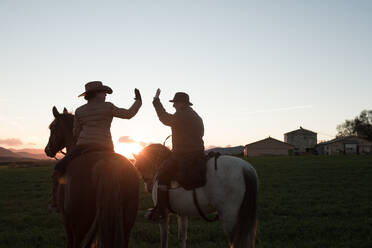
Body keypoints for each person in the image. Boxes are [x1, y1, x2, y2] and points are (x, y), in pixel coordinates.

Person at [49, 81, 142, 212]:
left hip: (82, 147)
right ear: (96, 94)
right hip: (106, 147)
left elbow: (76, 132)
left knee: (58, 169)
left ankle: (55, 203)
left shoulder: (79, 111)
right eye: (103, 92)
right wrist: (138, 101)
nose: (105, 95)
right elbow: (128, 114)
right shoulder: (108, 107)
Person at [146, 89, 205, 222]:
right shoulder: (196, 116)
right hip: (199, 153)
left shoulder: (181, 115)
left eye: (175, 103)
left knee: (162, 175)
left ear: (181, 103)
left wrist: (156, 101)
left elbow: (164, 118)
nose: (173, 106)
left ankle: (160, 210)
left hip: (182, 154)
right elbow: (199, 134)